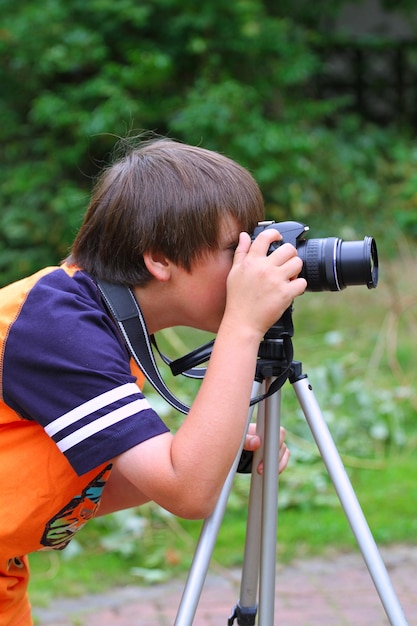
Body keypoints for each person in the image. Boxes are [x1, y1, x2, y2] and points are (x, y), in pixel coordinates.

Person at [0, 136, 306, 625]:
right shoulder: (57, 327)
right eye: (236, 248)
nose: (253, 265)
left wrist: (217, 453)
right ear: (159, 258)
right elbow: (188, 493)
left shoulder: (103, 326)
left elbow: (77, 488)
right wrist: (243, 325)